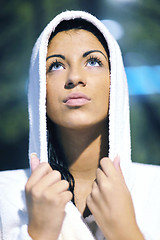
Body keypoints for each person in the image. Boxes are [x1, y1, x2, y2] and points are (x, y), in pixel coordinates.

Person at [0, 10, 160, 240]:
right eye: (56, 66)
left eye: (93, 61)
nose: (75, 77)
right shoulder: (5, 195)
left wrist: (125, 232)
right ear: (39, 89)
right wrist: (39, 234)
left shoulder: (156, 189)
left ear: (115, 81)